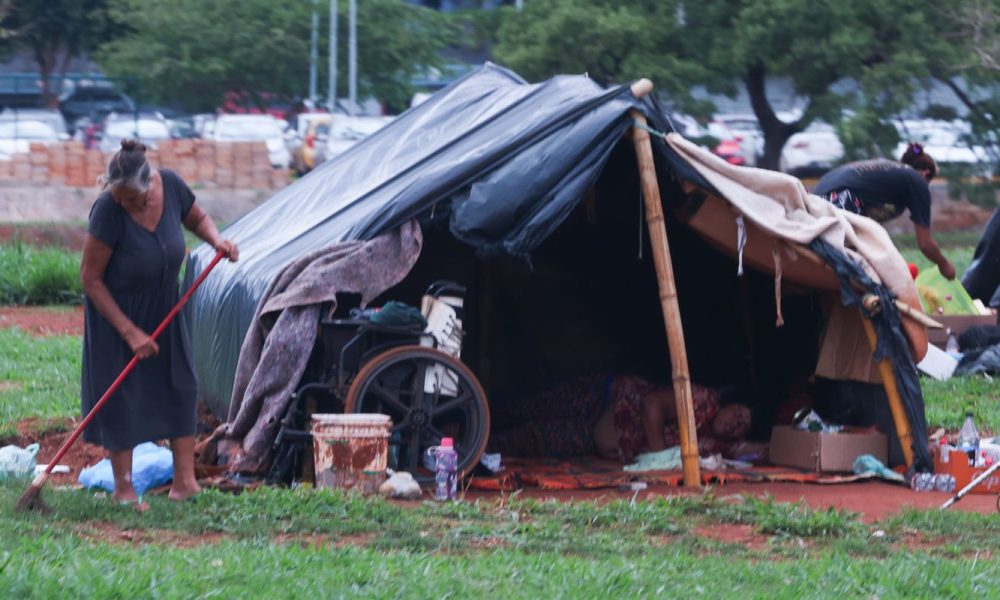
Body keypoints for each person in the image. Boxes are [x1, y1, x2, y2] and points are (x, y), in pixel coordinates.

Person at [80, 139, 239, 508]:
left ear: (150, 184)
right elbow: (90, 278)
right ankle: (124, 489)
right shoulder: (107, 210)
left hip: (165, 307)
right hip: (118, 314)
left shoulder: (171, 184)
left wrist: (216, 241)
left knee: (181, 384)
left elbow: (197, 218)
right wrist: (130, 332)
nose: (125, 204)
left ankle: (185, 483)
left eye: (131, 199)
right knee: (122, 395)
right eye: (119, 198)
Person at [488, 374, 752, 463]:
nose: (735, 423)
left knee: (528, 440)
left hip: (595, 436)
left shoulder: (713, 444)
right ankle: (461, 420)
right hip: (602, 398)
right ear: (730, 402)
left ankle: (460, 442)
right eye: (738, 413)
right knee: (525, 411)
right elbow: (651, 405)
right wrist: (659, 459)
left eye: (742, 426)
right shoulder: (704, 401)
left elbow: (757, 452)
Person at [813, 143, 956, 280]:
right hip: (839, 204)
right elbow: (925, 244)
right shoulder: (917, 180)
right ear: (925, 174)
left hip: (814, 203)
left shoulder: (887, 173)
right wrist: (944, 264)